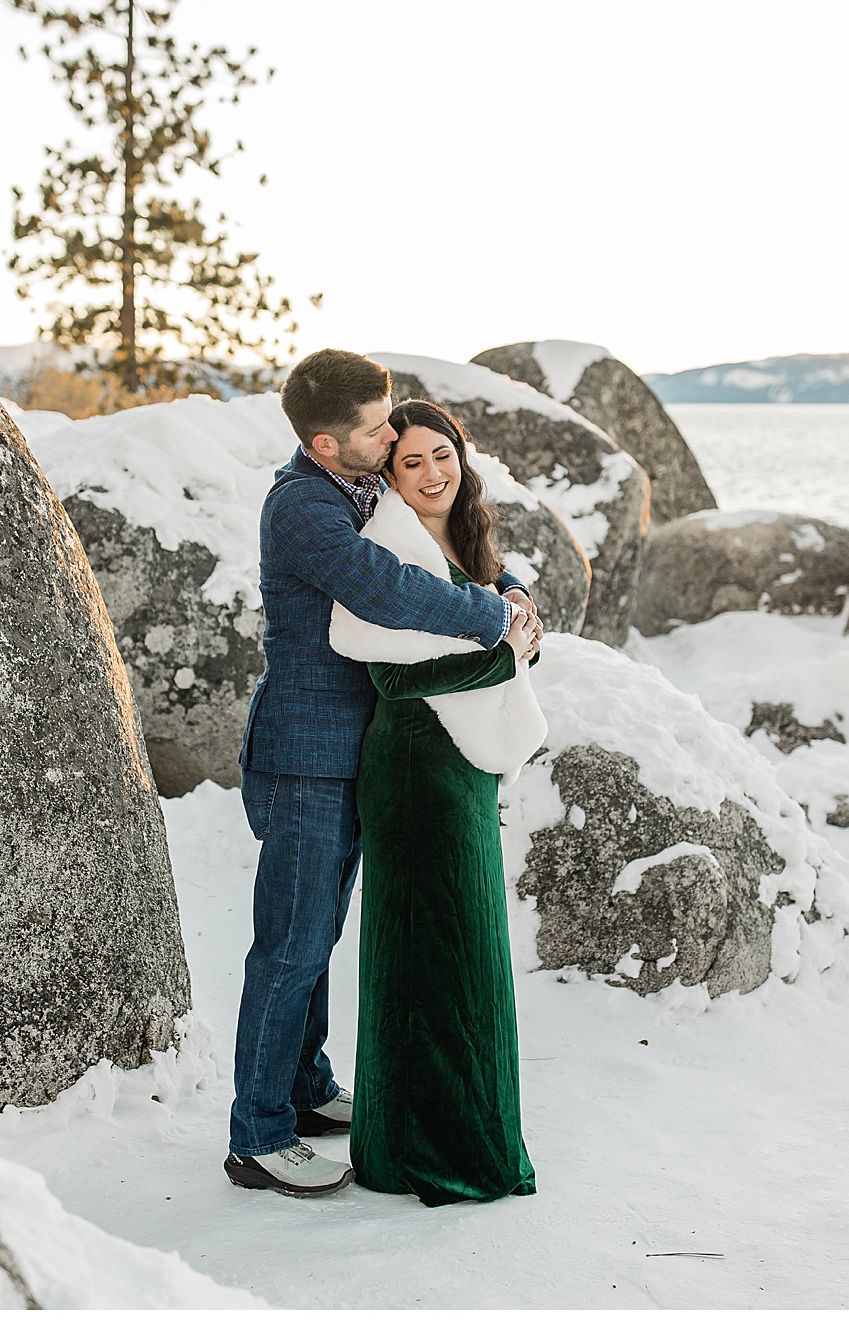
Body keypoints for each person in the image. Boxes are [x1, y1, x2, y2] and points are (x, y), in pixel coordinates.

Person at [225, 351, 541, 1198]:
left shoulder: (358, 482)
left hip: (354, 750)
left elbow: (434, 536)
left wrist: (502, 582)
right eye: (376, 427)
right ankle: (256, 1134)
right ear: (328, 444)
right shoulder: (302, 507)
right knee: (291, 944)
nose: (394, 433)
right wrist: (491, 620)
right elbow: (384, 584)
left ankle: (306, 1083)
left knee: (317, 933)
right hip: (305, 756)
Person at [339, 398, 543, 1206]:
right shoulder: (388, 545)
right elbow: (391, 677)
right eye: (410, 462)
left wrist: (519, 615)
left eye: (441, 455)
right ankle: (426, 1151)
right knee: (429, 959)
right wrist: (503, 659)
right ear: (388, 475)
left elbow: (500, 615)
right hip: (414, 769)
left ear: (462, 455)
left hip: (462, 770)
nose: (430, 473)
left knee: (470, 956)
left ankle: (461, 1132)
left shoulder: (465, 538)